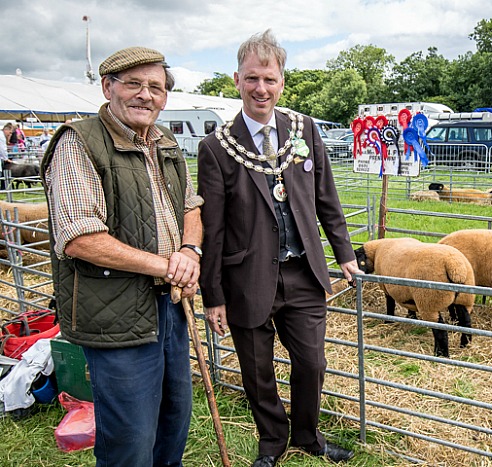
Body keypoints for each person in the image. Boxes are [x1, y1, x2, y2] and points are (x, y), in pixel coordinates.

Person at [198, 30, 361, 467]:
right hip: (246, 278)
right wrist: (211, 294)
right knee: (257, 371)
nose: (261, 89)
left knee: (312, 363)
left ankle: (307, 436)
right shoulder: (216, 147)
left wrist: (344, 253)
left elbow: (326, 195)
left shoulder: (304, 129)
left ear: (282, 81)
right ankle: (272, 443)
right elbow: (211, 227)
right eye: (252, 78)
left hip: (303, 271)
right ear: (236, 80)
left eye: (269, 79)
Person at [40, 46, 203, 467]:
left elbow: (190, 206)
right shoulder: (80, 142)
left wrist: (189, 250)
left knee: (173, 418)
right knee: (130, 436)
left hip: (169, 306)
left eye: (156, 87)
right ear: (108, 86)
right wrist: (170, 266)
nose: (146, 95)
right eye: (133, 84)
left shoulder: (165, 143)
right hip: (114, 312)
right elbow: (80, 237)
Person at [0, 123, 10, 189]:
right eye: (10, 132)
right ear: (6, 130)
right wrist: (6, 158)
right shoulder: (1, 135)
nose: (9, 134)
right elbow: (2, 148)